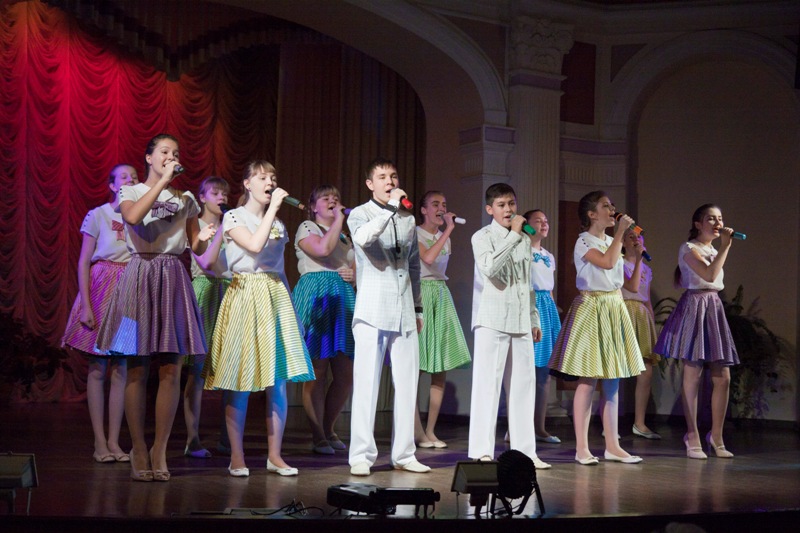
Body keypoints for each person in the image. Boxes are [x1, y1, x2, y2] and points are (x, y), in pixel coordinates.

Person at [95, 134, 212, 482]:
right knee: (136, 367)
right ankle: (138, 447)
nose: (171, 157)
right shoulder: (130, 191)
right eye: (164, 152)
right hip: (139, 276)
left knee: (172, 367)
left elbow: (194, 245)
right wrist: (162, 182)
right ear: (149, 157)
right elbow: (133, 218)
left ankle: (160, 448)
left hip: (173, 276)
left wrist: (206, 239)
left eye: (175, 153)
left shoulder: (186, 198)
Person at [202, 160, 314, 477]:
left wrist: (293, 311)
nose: (270, 182)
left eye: (273, 177)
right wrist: (273, 208)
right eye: (262, 177)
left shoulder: (277, 223)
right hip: (245, 293)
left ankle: (274, 456)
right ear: (248, 184)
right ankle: (236, 456)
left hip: (275, 294)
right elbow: (253, 245)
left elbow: (280, 269)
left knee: (278, 381)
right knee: (240, 379)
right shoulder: (234, 217)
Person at [548, 190, 645, 465]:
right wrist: (621, 233)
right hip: (592, 307)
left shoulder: (612, 242)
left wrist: (637, 257)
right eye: (605, 206)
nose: (612, 209)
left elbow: (631, 286)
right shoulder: (584, 241)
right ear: (592, 214)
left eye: (612, 204)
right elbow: (606, 262)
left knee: (612, 380)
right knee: (588, 379)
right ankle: (582, 448)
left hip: (614, 306)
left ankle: (613, 446)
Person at [347, 157, 430, 476]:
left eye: (393, 176)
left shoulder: (408, 219)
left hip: (404, 308)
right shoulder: (360, 214)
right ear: (370, 184)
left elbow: (414, 265)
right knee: (367, 384)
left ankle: (405, 453)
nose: (390, 181)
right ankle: (361, 455)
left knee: (407, 384)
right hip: (372, 308)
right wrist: (391, 208)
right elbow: (364, 239)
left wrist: (418, 307)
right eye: (382, 177)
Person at [469, 183, 550, 470]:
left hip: (521, 320)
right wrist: (514, 235)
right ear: (490, 209)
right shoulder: (482, 236)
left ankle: (526, 453)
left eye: (512, 204)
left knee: (523, 388)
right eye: (502, 205)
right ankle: (481, 451)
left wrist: (533, 318)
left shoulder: (524, 239)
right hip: (492, 320)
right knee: (487, 387)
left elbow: (528, 282)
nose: (508, 209)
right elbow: (490, 268)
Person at [62, 163, 138, 463]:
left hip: (129, 286)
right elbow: (84, 261)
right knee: (98, 367)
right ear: (112, 185)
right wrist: (86, 304)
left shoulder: (140, 215)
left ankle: (114, 441)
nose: (129, 180)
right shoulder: (98, 215)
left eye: (134, 178)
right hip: (101, 285)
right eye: (124, 177)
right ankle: (99, 442)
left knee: (121, 368)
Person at [654, 204, 739, 459]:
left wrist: (721, 248)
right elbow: (709, 275)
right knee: (693, 374)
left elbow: (715, 281)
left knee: (723, 376)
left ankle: (716, 436)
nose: (717, 223)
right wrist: (725, 247)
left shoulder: (713, 249)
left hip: (713, 306)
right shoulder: (688, 248)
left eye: (720, 218)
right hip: (695, 306)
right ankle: (692, 435)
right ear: (698, 224)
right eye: (711, 219)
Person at [292, 185, 355, 455]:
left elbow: (355, 265)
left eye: (336, 198)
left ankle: (329, 428)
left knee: (345, 373)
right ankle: (317, 434)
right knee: (317, 370)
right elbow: (322, 250)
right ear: (313, 207)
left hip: (343, 297)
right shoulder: (307, 227)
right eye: (326, 198)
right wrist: (339, 217)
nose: (332, 201)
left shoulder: (345, 236)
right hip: (317, 294)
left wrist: (355, 275)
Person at [413, 191, 471, 449]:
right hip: (421, 295)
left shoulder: (444, 237)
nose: (441, 208)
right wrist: (447, 230)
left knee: (440, 369)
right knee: (417, 367)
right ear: (423, 210)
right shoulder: (415, 233)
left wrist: (445, 233)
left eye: (444, 204)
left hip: (440, 295)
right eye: (435, 204)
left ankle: (431, 430)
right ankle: (415, 430)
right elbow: (427, 258)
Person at [183, 176, 231, 458]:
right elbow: (202, 259)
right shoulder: (195, 224)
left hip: (230, 290)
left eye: (224, 193)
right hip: (205, 289)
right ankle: (193, 439)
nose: (221, 197)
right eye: (215, 193)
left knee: (229, 369)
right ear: (202, 197)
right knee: (198, 370)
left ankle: (228, 439)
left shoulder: (232, 224)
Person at [524, 209, 562, 444]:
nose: (543, 224)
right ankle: (518, 428)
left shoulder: (549, 256)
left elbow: (550, 289)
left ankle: (540, 427)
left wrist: (553, 311)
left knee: (545, 373)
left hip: (547, 308)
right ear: (527, 226)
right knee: (526, 371)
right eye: (538, 221)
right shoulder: (523, 252)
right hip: (531, 306)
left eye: (545, 220)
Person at [621, 230, 662, 440]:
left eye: (639, 236)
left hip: (642, 314)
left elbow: (646, 298)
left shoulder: (646, 268)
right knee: (615, 369)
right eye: (631, 236)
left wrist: (652, 323)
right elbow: (630, 286)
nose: (636, 239)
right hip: (623, 312)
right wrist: (637, 259)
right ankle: (609, 423)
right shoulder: (618, 263)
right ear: (622, 241)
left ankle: (639, 423)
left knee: (645, 370)